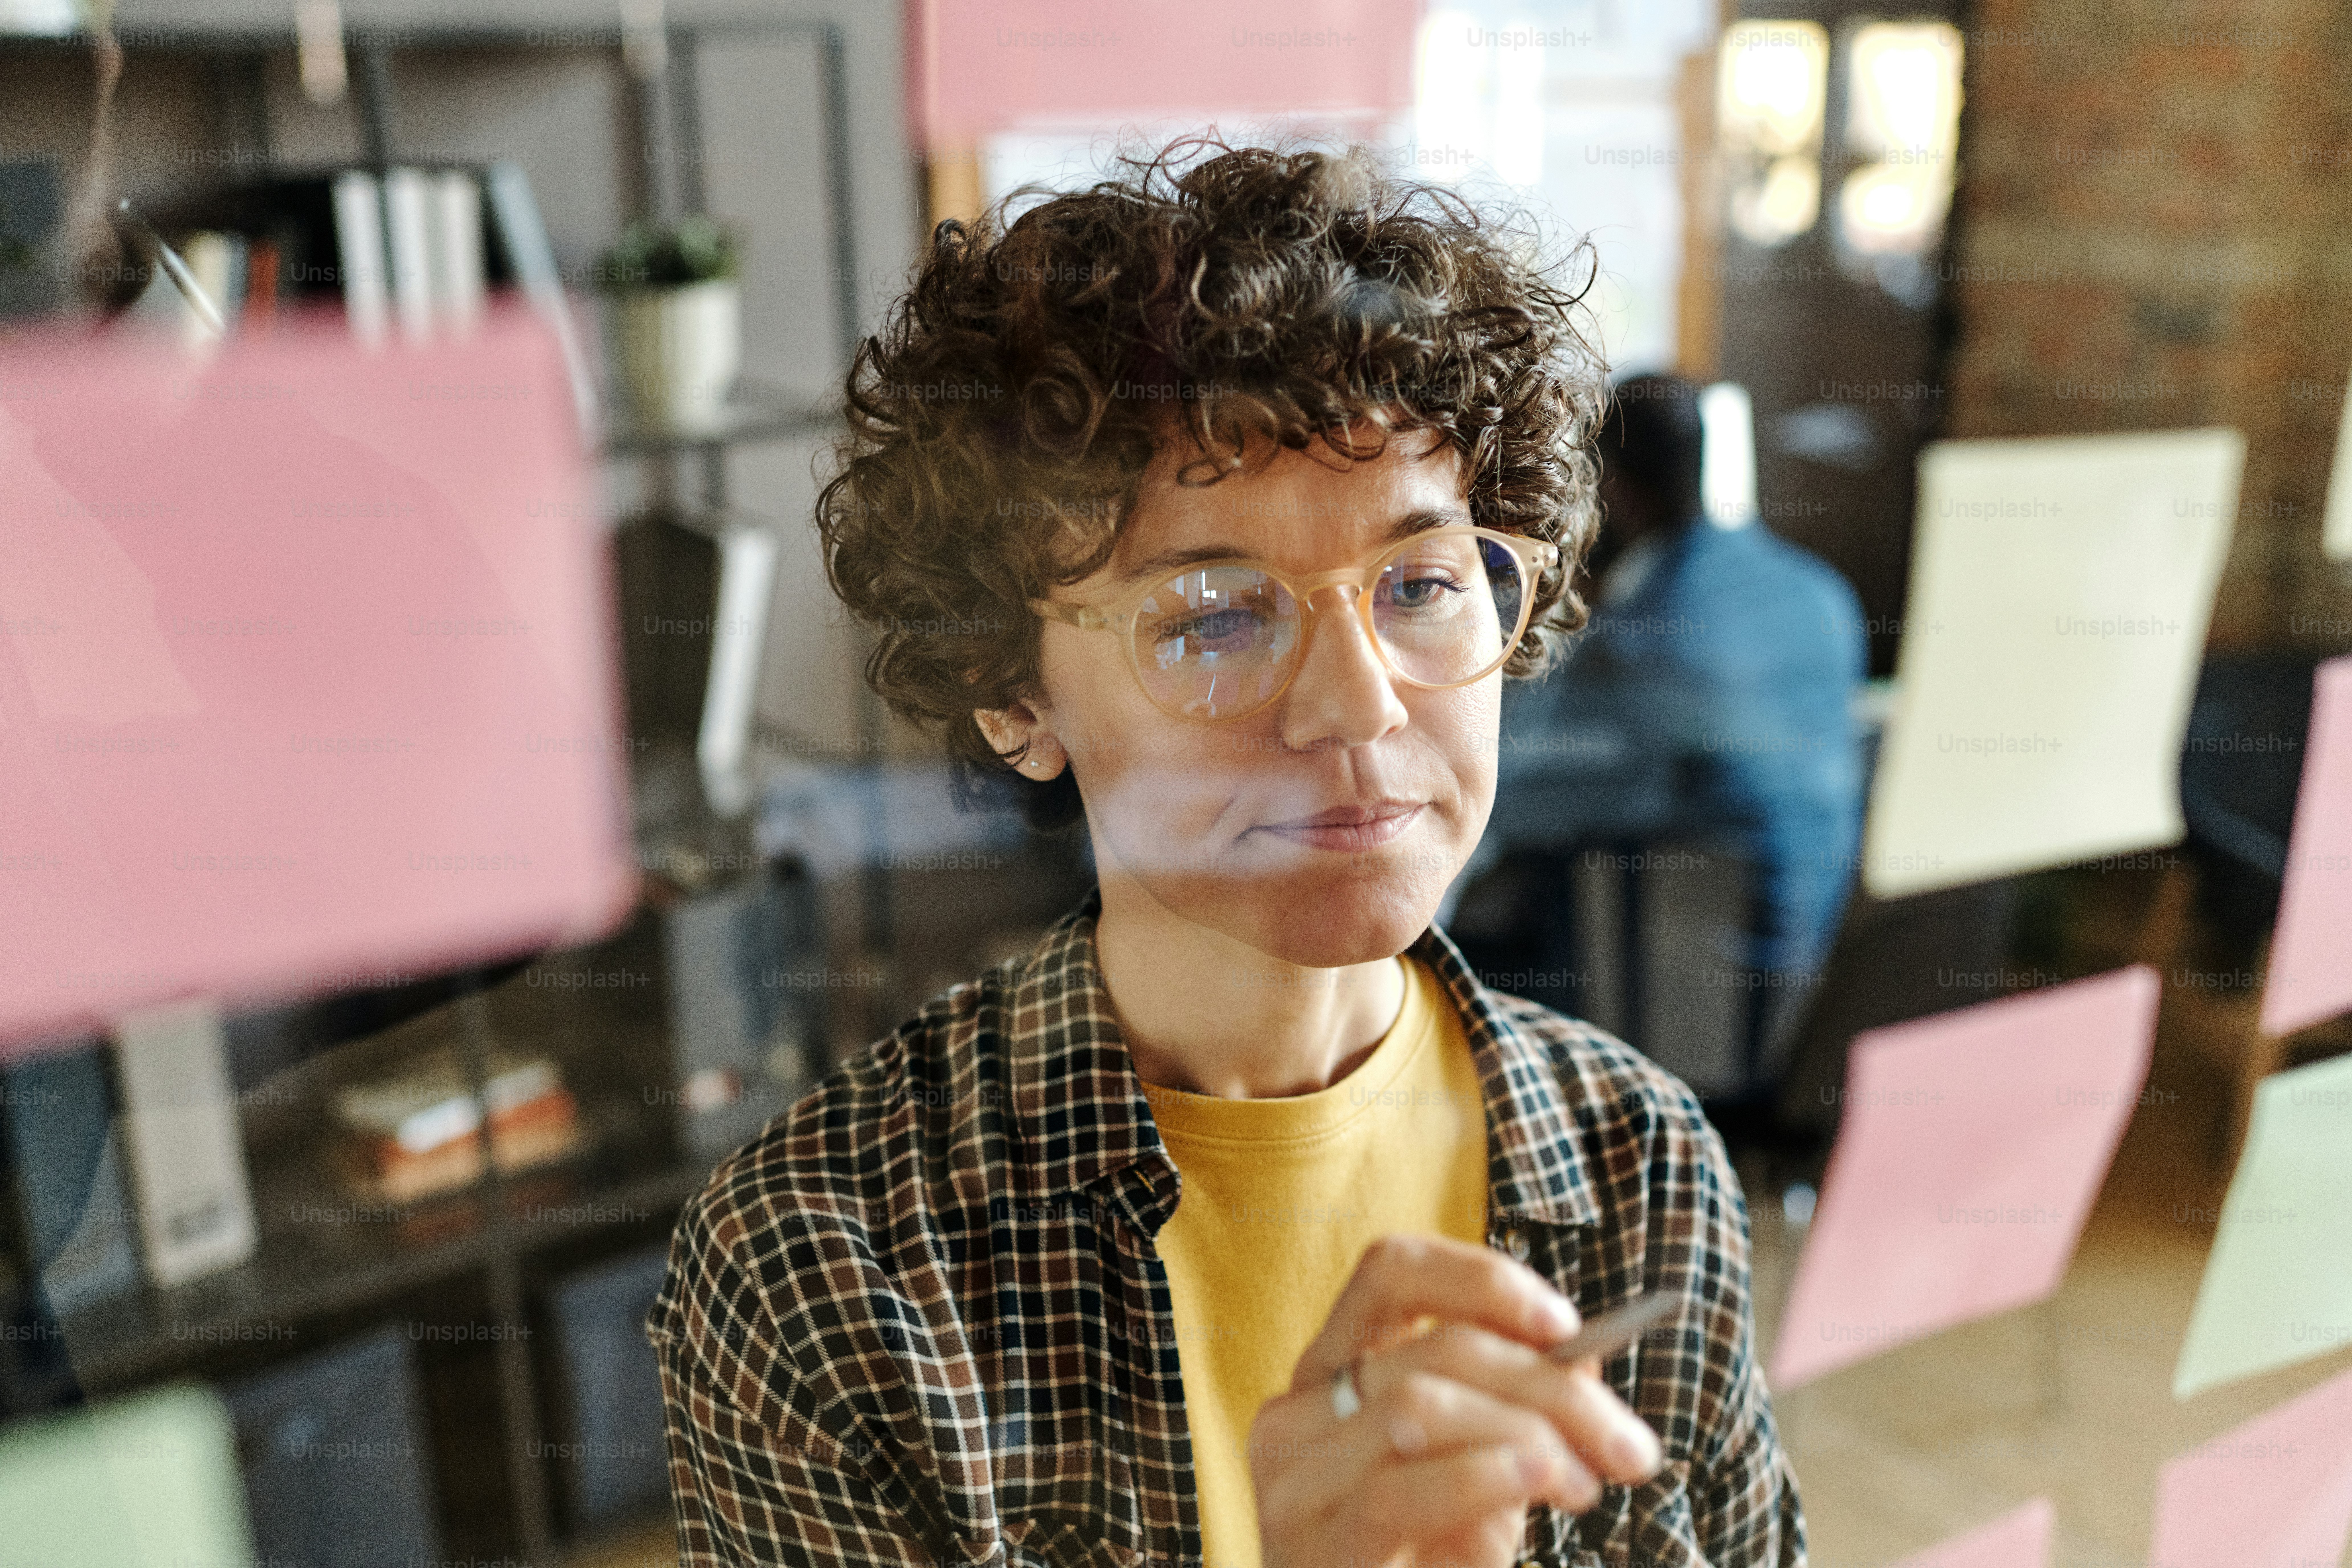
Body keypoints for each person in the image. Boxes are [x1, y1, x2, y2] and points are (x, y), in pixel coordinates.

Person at [645, 140, 1804, 1568]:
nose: (1359, 705)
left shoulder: (1640, 1164)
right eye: (1211, 616)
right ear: (1012, 697)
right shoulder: (828, 1268)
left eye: (1422, 584)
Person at [1485, 374, 1867, 995]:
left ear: (1610, 490)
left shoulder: (1643, 637)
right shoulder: (1822, 591)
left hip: (1695, 1002)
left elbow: (1499, 789)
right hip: (1811, 973)